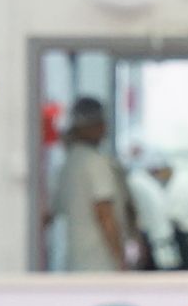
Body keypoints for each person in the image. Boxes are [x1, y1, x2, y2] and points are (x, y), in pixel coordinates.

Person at [50, 94, 138, 270]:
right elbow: (104, 214)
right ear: (91, 126)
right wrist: (121, 260)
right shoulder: (96, 163)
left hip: (75, 265)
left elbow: (51, 212)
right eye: (102, 122)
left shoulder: (67, 165)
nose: (105, 127)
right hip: (101, 266)